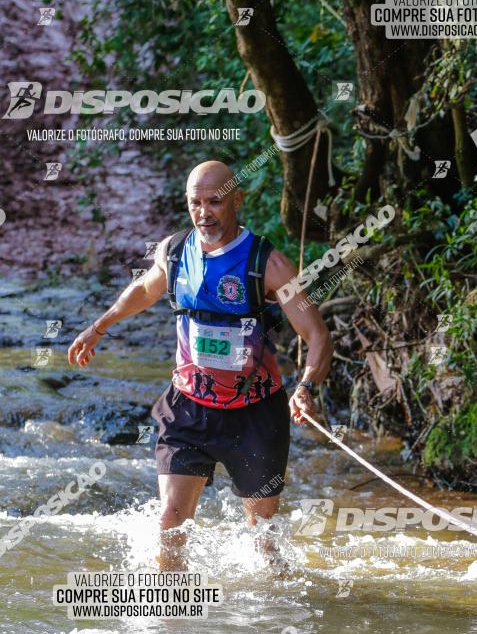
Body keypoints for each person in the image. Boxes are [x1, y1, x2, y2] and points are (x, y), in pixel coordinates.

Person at [68, 160, 333, 568]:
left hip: (256, 414)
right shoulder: (174, 252)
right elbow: (144, 289)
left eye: (215, 201)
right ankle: (171, 623)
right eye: (196, 203)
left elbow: (317, 336)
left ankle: (268, 621)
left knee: (262, 539)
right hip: (188, 407)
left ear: (236, 201)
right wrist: (98, 327)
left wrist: (307, 387)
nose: (204, 212)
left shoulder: (268, 263)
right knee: (171, 524)